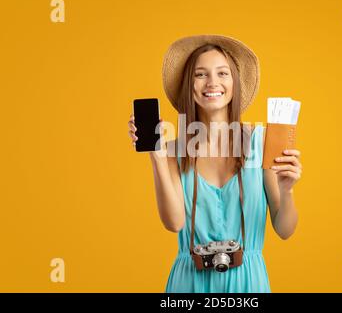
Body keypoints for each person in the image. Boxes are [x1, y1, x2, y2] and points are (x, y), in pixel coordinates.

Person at [127, 34, 302, 292]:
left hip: (248, 285)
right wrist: (157, 156)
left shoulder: (261, 141)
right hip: (189, 285)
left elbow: (285, 229)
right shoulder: (174, 150)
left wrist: (287, 191)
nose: (212, 83)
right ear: (190, 85)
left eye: (222, 73)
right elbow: (174, 223)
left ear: (235, 83)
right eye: (200, 74)